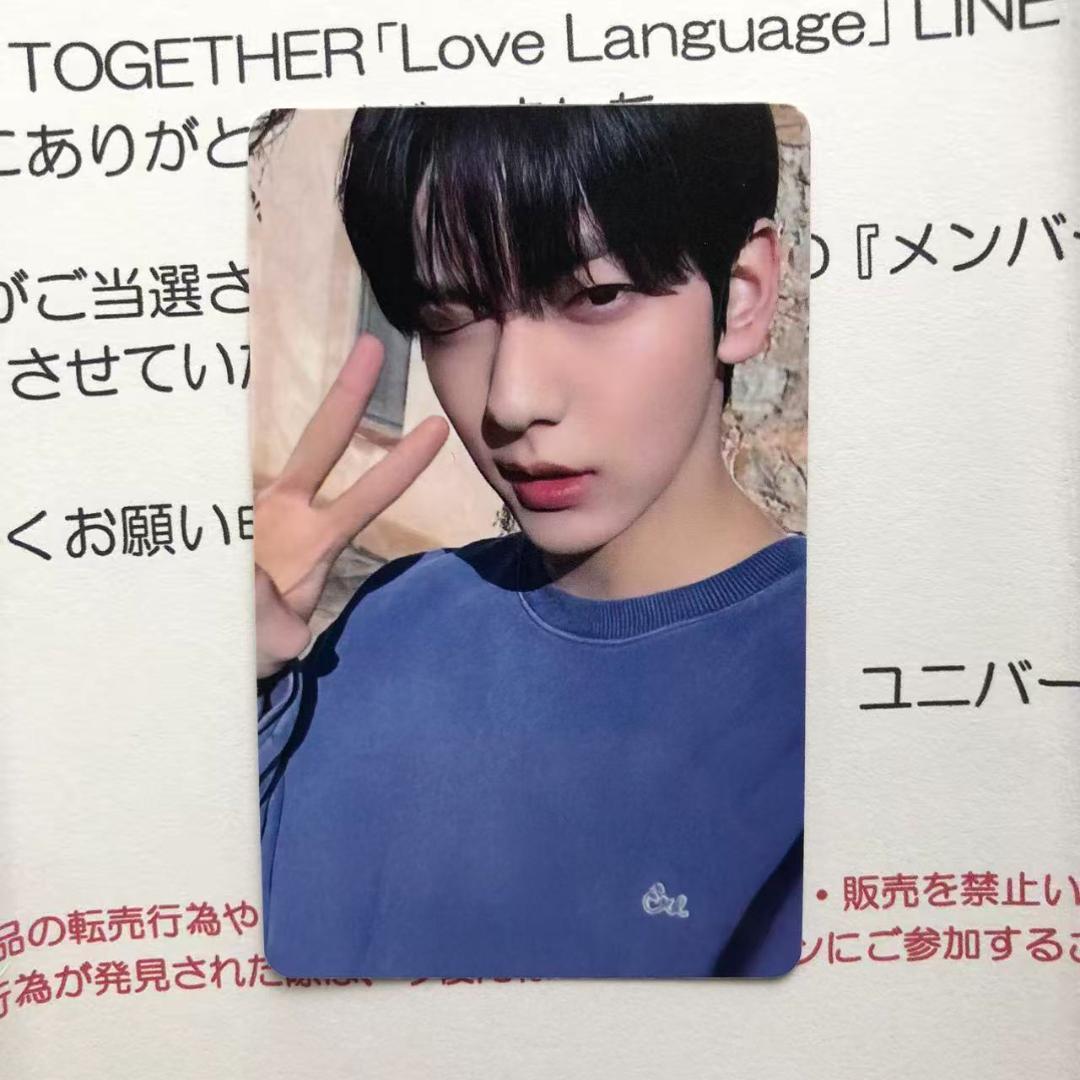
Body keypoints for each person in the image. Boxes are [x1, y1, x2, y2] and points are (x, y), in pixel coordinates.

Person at [253, 104, 806, 979]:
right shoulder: (393, 618)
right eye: (451, 315)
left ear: (741, 295)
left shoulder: (836, 701)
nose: (510, 399)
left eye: (596, 296)